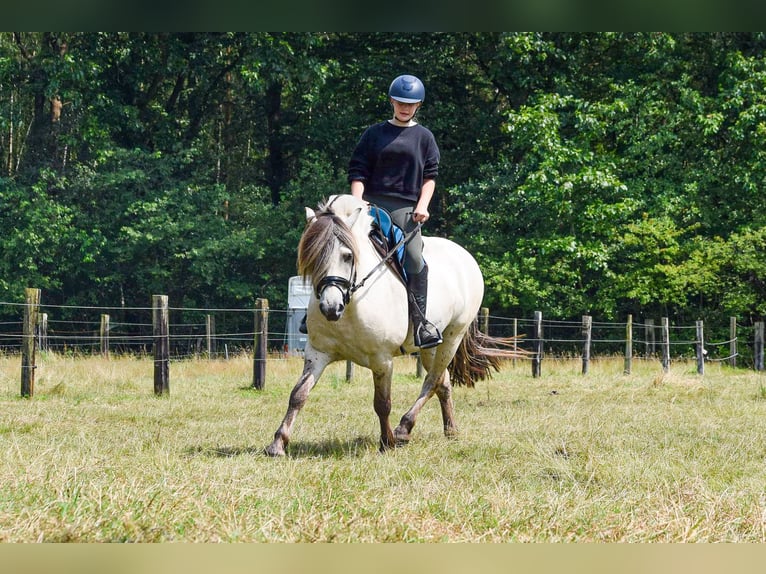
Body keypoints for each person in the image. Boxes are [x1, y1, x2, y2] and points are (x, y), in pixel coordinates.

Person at [347, 74, 443, 349]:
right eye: (400, 102)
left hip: (405, 208)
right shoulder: (373, 133)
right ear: (391, 101)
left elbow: (430, 177)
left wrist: (422, 205)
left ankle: (421, 324)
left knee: (413, 258)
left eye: (410, 104)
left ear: (418, 106)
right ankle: (318, 313)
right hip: (370, 203)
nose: (404, 107)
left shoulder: (424, 137)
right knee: (339, 245)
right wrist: (357, 201)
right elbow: (358, 170)